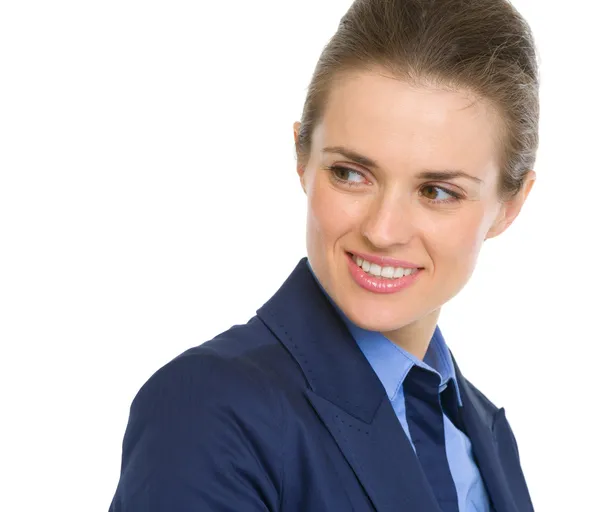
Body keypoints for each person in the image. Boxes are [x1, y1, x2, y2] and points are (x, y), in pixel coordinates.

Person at [109, 0, 538, 510]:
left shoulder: (487, 435)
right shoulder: (207, 409)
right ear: (302, 159)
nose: (382, 231)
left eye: (437, 191)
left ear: (508, 207)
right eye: (351, 174)